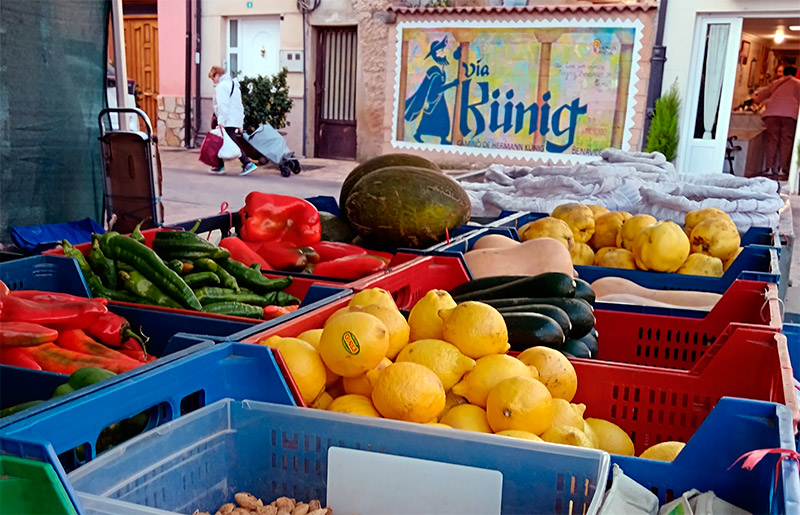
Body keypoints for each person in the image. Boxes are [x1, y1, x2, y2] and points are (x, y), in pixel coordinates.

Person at [208, 65, 257, 176]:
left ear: (218, 75)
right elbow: (238, 105)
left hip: (227, 119)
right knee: (221, 141)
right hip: (234, 119)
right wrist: (240, 123)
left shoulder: (221, 87)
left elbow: (222, 105)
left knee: (229, 142)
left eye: (213, 78)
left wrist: (221, 121)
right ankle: (218, 165)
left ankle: (247, 163)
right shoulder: (234, 85)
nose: (213, 81)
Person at [753, 65, 800, 178]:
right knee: (786, 142)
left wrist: (756, 100)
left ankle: (769, 168)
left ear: (784, 72)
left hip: (772, 114)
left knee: (772, 141)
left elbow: (762, 94)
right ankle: (782, 169)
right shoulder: (798, 84)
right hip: (789, 115)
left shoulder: (777, 82)